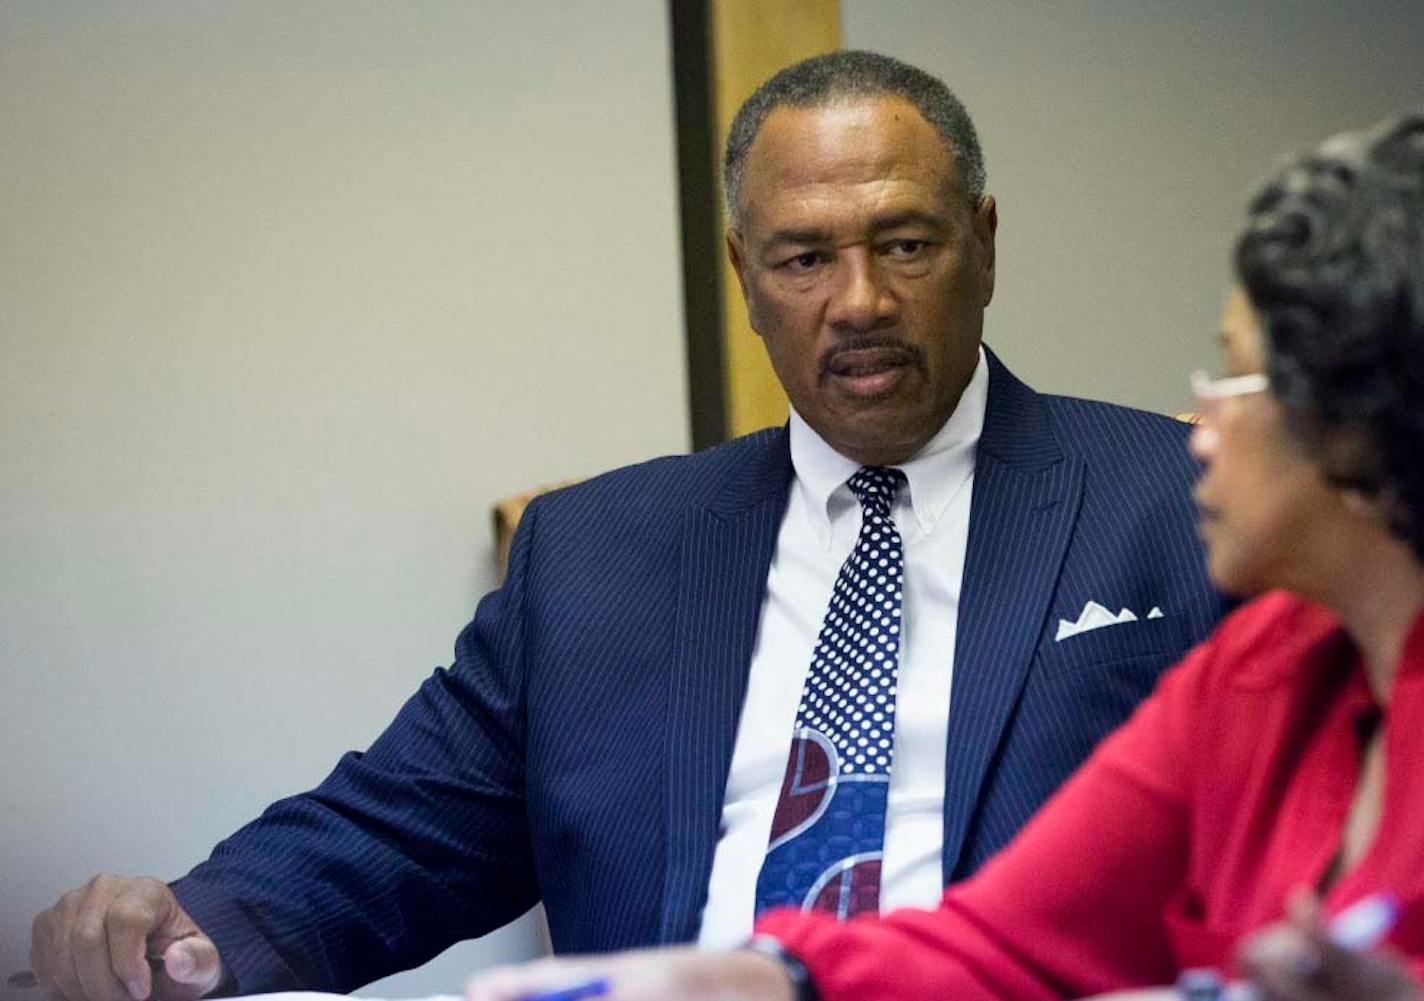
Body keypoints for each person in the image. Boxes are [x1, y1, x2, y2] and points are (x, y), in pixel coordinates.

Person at [28, 51, 1224, 1001]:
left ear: (984, 240)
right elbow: (406, 827)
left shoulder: (1182, 499)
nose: (858, 301)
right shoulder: (600, 550)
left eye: (903, 243)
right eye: (803, 257)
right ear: (744, 276)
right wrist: (186, 928)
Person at [465, 113, 1424, 1001]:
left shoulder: (1183, 531)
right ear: (744, 273)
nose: (1200, 426)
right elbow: (1009, 934)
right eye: (804, 257)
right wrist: (752, 980)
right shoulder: (1259, 674)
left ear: (1360, 418)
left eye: (1233, 375)